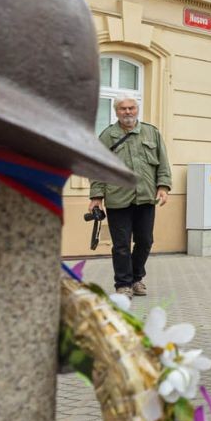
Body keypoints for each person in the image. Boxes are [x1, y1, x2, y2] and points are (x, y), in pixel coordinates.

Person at [88, 97, 172, 297]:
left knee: (145, 241)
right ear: (116, 112)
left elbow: (162, 162)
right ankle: (123, 284)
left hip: (145, 197)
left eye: (131, 108)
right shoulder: (108, 136)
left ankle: (136, 277)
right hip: (118, 198)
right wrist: (97, 197)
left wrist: (163, 186)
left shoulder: (151, 133)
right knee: (121, 245)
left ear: (137, 110)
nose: (128, 112)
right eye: (123, 109)